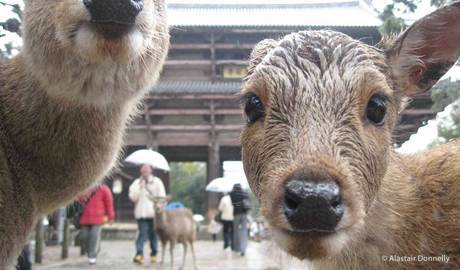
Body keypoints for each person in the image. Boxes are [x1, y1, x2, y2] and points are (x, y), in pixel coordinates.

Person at [129, 164, 166, 265]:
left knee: (153, 234)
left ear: (150, 170)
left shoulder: (157, 182)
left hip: (154, 213)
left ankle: (153, 253)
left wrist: (159, 205)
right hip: (141, 213)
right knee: (142, 233)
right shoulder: (136, 183)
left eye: (147, 168)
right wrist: (140, 188)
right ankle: (139, 254)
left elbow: (162, 197)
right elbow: (133, 197)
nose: (145, 170)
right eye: (143, 168)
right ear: (140, 170)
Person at [79, 184, 115, 265]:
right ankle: (91, 250)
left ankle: (92, 256)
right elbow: (79, 201)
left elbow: (109, 203)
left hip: (98, 218)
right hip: (85, 217)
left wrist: (111, 217)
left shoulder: (104, 189)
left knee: (94, 236)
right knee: (83, 236)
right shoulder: (85, 189)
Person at [230, 184, 250, 256]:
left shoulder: (232, 194)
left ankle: (236, 248)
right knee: (244, 230)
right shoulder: (245, 193)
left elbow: (233, 203)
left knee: (236, 231)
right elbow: (248, 204)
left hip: (236, 214)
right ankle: (243, 249)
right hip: (244, 214)